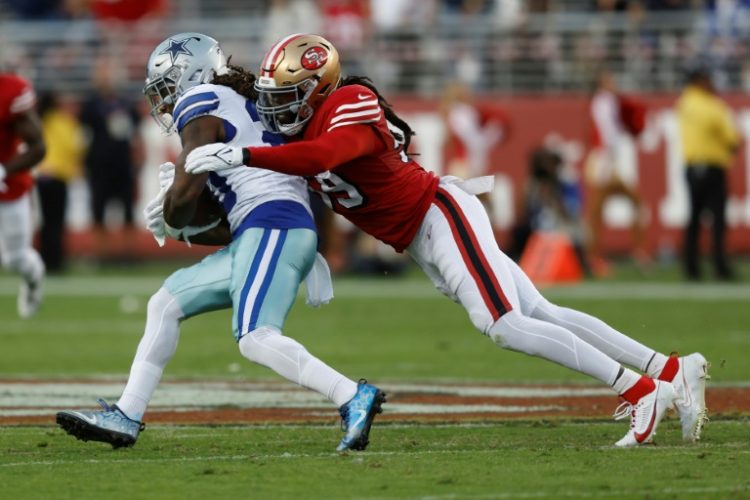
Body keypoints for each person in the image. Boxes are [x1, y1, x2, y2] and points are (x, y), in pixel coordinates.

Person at [186, 33, 709, 447]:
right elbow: (275, 144)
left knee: (502, 325)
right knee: (542, 313)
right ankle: (671, 371)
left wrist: (245, 156)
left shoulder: (351, 100)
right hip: (422, 236)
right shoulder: (301, 123)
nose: (278, 112)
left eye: (289, 98)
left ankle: (641, 391)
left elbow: (323, 158)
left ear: (319, 87)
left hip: (440, 215)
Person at [56, 33, 385, 452]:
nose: (163, 103)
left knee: (255, 337)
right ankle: (127, 415)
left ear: (190, 76)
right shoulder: (236, 103)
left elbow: (187, 192)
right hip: (267, 228)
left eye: (165, 89)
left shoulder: (202, 99)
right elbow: (227, 226)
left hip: (274, 225)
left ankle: (350, 395)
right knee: (166, 303)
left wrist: (172, 213)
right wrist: (184, 226)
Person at [676, 67, 739, 281]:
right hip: (712, 168)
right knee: (718, 220)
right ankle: (720, 267)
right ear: (701, 81)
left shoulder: (684, 103)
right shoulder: (711, 105)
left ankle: (691, 267)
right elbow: (730, 137)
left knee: (694, 219)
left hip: (692, 167)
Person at [585, 69, 649, 274]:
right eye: (609, 79)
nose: (613, 82)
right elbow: (606, 132)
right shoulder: (604, 100)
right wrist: (608, 160)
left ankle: (636, 251)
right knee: (598, 210)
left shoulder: (609, 101)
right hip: (605, 160)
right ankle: (595, 257)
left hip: (607, 159)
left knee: (606, 209)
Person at [79, 57, 140, 260]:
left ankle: (129, 255)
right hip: (98, 166)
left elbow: (136, 135)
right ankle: (101, 255)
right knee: (98, 211)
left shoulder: (126, 103)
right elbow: (81, 136)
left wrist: (138, 159)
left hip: (123, 165)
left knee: (128, 211)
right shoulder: (90, 105)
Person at [0, 71, 46, 318]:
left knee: (14, 259)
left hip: (9, 188)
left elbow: (39, 147)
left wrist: (3, 170)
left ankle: (33, 275)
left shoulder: (10, 91)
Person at [36, 92, 85, 273]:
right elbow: (74, 147)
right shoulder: (65, 122)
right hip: (58, 177)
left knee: (45, 221)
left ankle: (44, 259)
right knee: (57, 222)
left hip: (42, 177)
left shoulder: (39, 122)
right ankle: (56, 261)